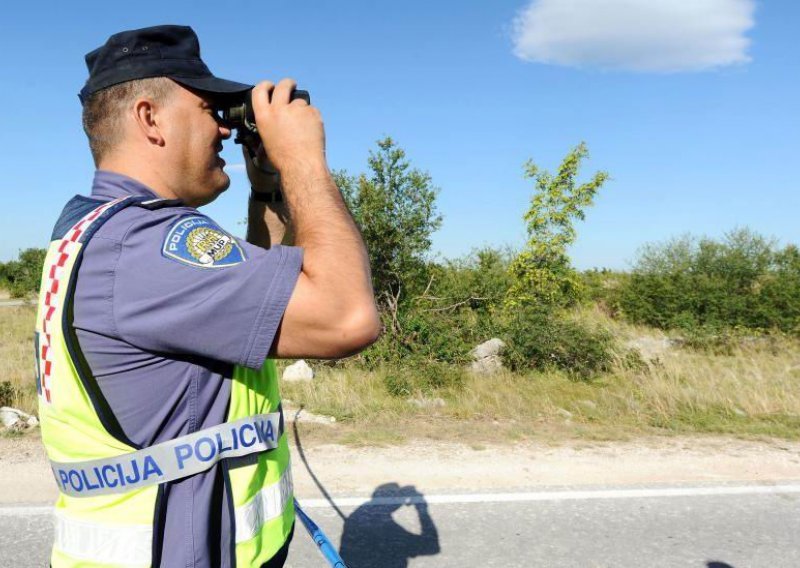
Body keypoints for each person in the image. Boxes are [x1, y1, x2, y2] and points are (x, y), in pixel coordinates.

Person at [33, 25, 380, 568]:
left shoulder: (99, 233)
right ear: (150, 118)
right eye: (208, 109)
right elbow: (345, 317)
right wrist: (303, 161)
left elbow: (265, 298)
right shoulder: (147, 248)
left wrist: (265, 185)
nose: (224, 129)